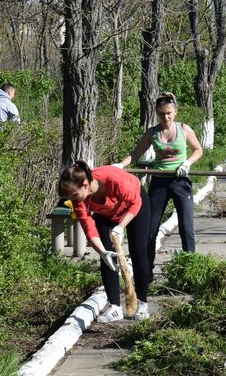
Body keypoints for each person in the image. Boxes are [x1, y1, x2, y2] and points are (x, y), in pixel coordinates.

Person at [114, 92, 203, 272]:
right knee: (151, 228)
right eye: (162, 113)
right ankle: (147, 270)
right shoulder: (152, 132)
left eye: (169, 113)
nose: (166, 117)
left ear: (175, 112)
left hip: (180, 181)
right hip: (159, 183)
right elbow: (136, 153)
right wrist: (120, 165)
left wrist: (187, 163)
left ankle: (190, 268)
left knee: (186, 227)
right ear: (157, 113)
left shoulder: (184, 129)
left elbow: (198, 150)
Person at [58, 161, 153, 322]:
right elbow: (89, 228)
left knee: (138, 252)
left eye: (73, 195)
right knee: (107, 257)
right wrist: (102, 252)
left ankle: (142, 303)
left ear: (85, 185)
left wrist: (121, 226)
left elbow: (135, 203)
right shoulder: (79, 200)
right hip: (106, 214)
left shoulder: (113, 178)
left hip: (134, 207)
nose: (72, 199)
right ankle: (115, 306)